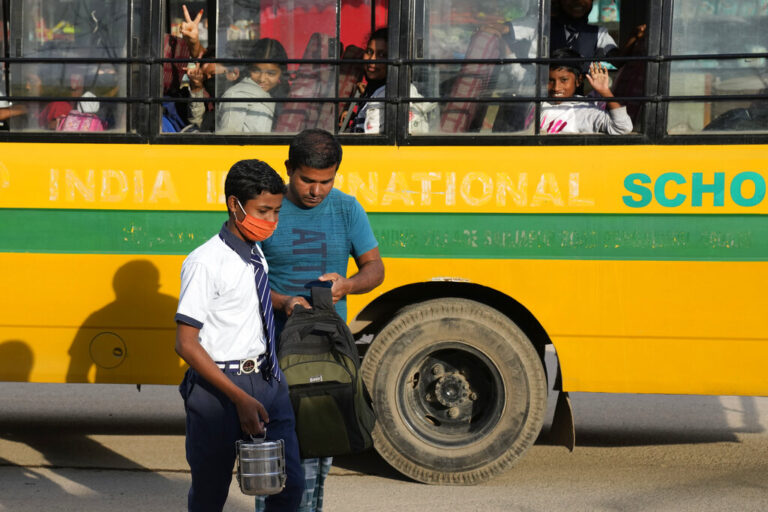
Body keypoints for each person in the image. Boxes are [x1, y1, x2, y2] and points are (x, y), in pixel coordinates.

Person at [258, 129, 385, 512]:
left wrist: (348, 284)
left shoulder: (347, 209)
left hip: (328, 356)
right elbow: (242, 277)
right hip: (273, 354)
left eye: (325, 181)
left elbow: (375, 269)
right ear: (289, 170)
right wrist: (281, 302)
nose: (316, 190)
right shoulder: (266, 208)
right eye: (307, 180)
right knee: (277, 458)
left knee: (317, 458)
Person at [175, 159, 304, 512]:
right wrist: (238, 399)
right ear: (235, 205)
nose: (272, 221)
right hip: (220, 387)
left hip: (266, 380)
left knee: (288, 486)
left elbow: (247, 294)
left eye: (277, 211)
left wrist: (284, 301)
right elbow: (186, 342)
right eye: (264, 211)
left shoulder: (253, 252)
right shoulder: (205, 262)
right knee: (211, 493)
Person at [343, 28, 435, 134]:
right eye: (369, 52)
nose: (372, 60)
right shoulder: (373, 91)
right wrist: (355, 117)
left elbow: (371, 137)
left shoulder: (396, 93)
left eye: (382, 55)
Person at [540, 48, 632, 135]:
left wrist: (605, 92)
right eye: (550, 80)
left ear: (578, 80)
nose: (556, 88)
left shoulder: (584, 110)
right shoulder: (540, 102)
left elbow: (623, 127)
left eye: (564, 80)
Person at [216, 38, 289, 133]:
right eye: (256, 70)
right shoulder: (237, 96)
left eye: (271, 73)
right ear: (248, 68)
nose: (262, 79)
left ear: (281, 73)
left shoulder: (282, 94)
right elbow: (229, 140)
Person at [550, 0, 646, 67]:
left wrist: (634, 36)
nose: (579, 1)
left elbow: (617, 61)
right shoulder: (544, 28)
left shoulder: (598, 33)